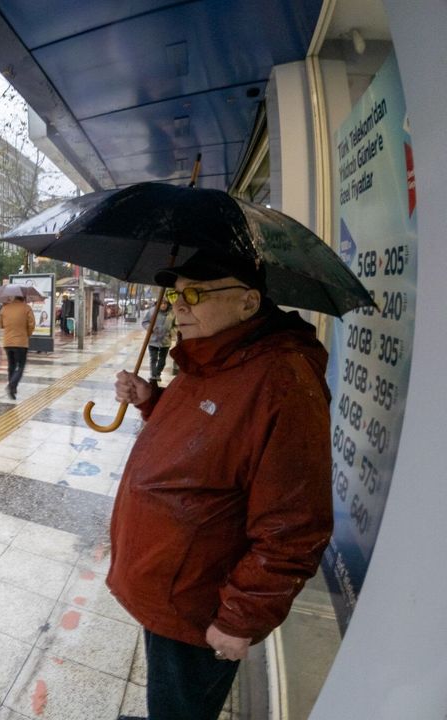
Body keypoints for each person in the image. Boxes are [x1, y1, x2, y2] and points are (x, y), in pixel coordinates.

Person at [109, 251, 332, 720]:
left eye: (195, 294)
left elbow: (294, 524)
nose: (179, 306)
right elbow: (213, 432)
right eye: (176, 295)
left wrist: (241, 616)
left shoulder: (282, 381)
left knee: (182, 708)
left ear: (248, 302)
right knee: (166, 697)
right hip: (170, 589)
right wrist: (151, 400)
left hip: (201, 604)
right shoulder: (212, 356)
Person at [0, 295, 36, 400]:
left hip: (7, 342)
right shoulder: (27, 308)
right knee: (20, 366)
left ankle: (13, 388)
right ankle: (12, 385)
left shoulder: (5, 308)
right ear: (23, 298)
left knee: (11, 365)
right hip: (21, 343)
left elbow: (1, 325)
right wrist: (27, 334)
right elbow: (31, 325)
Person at [142, 298, 174, 383]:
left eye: (165, 303)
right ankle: (154, 375)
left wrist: (171, 332)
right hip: (153, 340)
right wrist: (151, 328)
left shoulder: (172, 313)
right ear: (158, 303)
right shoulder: (152, 311)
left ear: (168, 304)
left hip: (165, 341)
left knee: (162, 361)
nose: (163, 305)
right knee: (153, 358)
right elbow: (145, 322)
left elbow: (176, 325)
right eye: (161, 303)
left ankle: (158, 373)